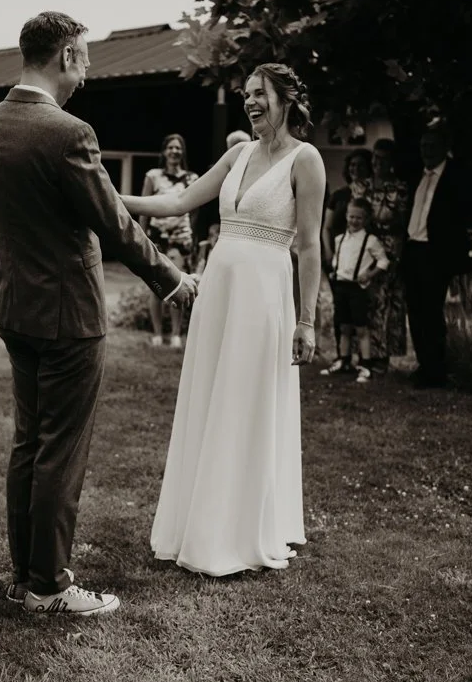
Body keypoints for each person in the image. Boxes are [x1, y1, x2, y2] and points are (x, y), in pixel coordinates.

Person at [0, 12, 197, 616]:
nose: (87, 73)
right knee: (61, 452)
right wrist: (171, 279)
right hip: (69, 314)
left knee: (29, 444)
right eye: (86, 61)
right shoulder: (69, 132)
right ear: (66, 56)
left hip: (15, 307)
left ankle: (24, 577)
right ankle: (49, 586)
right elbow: (114, 224)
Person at [120, 63, 327, 576]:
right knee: (211, 396)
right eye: (246, 95)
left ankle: (240, 529)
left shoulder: (306, 160)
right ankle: (201, 521)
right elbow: (178, 200)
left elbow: (308, 246)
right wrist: (109, 199)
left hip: (264, 295)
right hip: (220, 291)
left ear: (286, 99)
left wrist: (306, 320)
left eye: (259, 94)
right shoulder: (238, 155)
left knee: (246, 400)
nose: (250, 102)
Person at [401, 130, 472, 388]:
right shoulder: (417, 175)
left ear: (444, 147)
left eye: (432, 145)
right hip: (413, 249)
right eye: (424, 145)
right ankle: (424, 364)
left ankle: (435, 370)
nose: (427, 150)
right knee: (414, 310)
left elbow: (463, 215)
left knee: (432, 311)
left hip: (436, 254)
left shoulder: (456, 176)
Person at [140, 134, 199, 348]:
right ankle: (157, 334)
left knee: (178, 283)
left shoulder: (192, 178)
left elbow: (194, 211)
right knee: (156, 286)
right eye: (171, 147)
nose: (174, 151)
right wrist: (142, 236)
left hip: (180, 240)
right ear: (164, 151)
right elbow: (144, 208)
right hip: (156, 238)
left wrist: (191, 236)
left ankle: (175, 334)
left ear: (182, 152)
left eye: (178, 148)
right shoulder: (153, 176)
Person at [319, 148, 372, 375]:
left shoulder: (373, 194)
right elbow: (326, 227)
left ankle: (366, 359)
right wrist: (329, 253)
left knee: (361, 313)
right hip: (339, 257)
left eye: (360, 165)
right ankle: (343, 357)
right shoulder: (339, 195)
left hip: (363, 261)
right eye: (352, 165)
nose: (355, 169)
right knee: (341, 311)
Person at [327, 198, 390, 383]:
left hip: (357, 289)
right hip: (341, 287)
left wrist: (370, 274)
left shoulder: (370, 241)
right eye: (351, 216)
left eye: (359, 218)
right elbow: (338, 260)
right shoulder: (340, 239)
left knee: (361, 328)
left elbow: (383, 261)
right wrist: (335, 270)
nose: (354, 221)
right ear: (346, 216)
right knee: (344, 326)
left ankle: (365, 365)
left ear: (366, 219)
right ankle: (344, 360)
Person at [362, 139, 412, 372]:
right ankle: (365, 353)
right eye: (375, 157)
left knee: (387, 302)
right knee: (367, 300)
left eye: (383, 159)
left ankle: (382, 356)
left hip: (391, 249)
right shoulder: (362, 185)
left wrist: (398, 254)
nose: (377, 163)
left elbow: (403, 222)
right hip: (365, 247)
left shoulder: (400, 188)